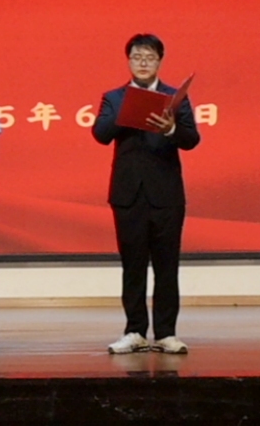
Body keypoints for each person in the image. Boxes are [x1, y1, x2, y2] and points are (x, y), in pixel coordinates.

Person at [91, 33, 200, 354]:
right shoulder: (114, 98)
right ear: (129, 61)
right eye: (137, 57)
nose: (143, 63)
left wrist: (170, 129)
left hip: (166, 195)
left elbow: (192, 139)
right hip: (128, 194)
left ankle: (166, 333)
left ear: (159, 61)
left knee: (167, 266)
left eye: (149, 57)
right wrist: (128, 111)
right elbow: (100, 133)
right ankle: (135, 331)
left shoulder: (173, 98)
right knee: (133, 266)